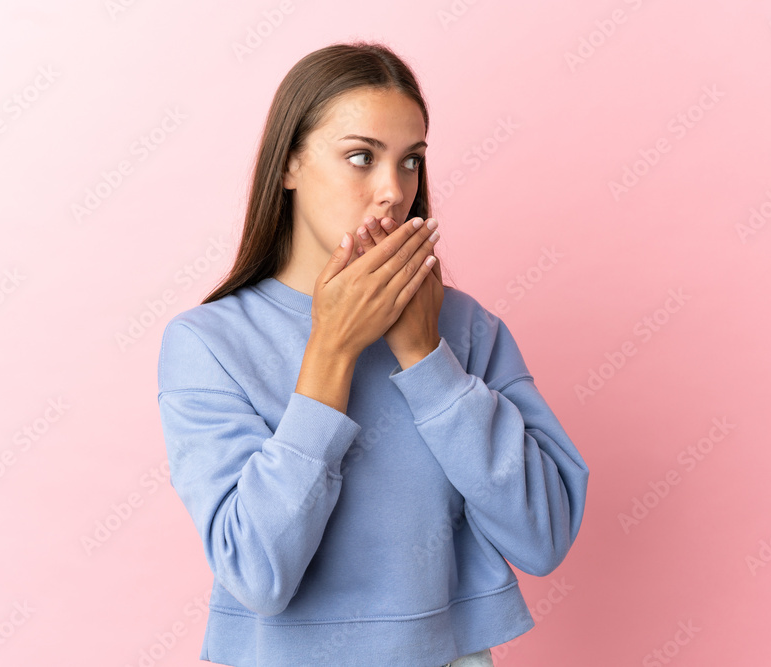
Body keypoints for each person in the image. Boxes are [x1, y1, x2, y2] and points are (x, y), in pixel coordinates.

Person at [156, 41, 590, 667]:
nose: (393, 191)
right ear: (290, 165)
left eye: (410, 162)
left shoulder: (467, 329)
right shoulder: (208, 344)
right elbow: (257, 574)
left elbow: (542, 537)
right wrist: (330, 351)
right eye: (361, 157)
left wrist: (426, 356)